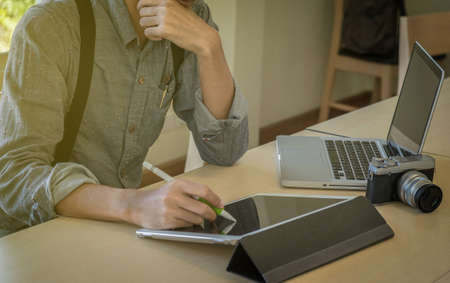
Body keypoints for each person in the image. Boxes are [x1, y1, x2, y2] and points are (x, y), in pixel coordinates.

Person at [0, 0, 248, 234]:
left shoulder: (191, 16)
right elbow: (15, 174)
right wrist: (135, 204)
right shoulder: (51, 23)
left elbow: (224, 152)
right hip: (33, 236)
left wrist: (210, 46)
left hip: (118, 228)